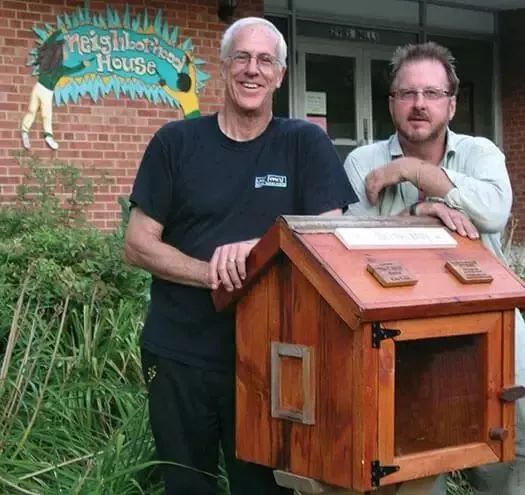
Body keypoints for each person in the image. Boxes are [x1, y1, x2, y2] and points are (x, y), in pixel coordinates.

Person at [124, 16, 356, 495]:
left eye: (266, 60)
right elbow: (138, 243)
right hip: (180, 352)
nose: (253, 69)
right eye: (243, 58)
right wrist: (214, 273)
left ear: (280, 75)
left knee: (265, 489)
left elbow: (330, 236)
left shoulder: (304, 144)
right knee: (186, 486)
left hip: (273, 358)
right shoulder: (175, 142)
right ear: (224, 65)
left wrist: (260, 250)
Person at [343, 41, 523, 495]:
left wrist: (413, 172)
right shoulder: (362, 162)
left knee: (509, 456)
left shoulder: (481, 153)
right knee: (416, 465)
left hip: (492, 327)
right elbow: (353, 252)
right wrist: (419, 215)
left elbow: (494, 211)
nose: (419, 104)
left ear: (452, 104)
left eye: (432, 93)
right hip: (402, 337)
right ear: (391, 103)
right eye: (407, 93)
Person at [21, 29, 90, 151]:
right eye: (65, 51)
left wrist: (83, 65)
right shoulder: (47, 63)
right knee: (37, 112)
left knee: (42, 113)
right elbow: (49, 43)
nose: (67, 53)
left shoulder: (60, 69)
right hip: (41, 89)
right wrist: (58, 32)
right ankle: (30, 132)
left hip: (44, 91)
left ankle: (41, 134)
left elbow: (72, 70)